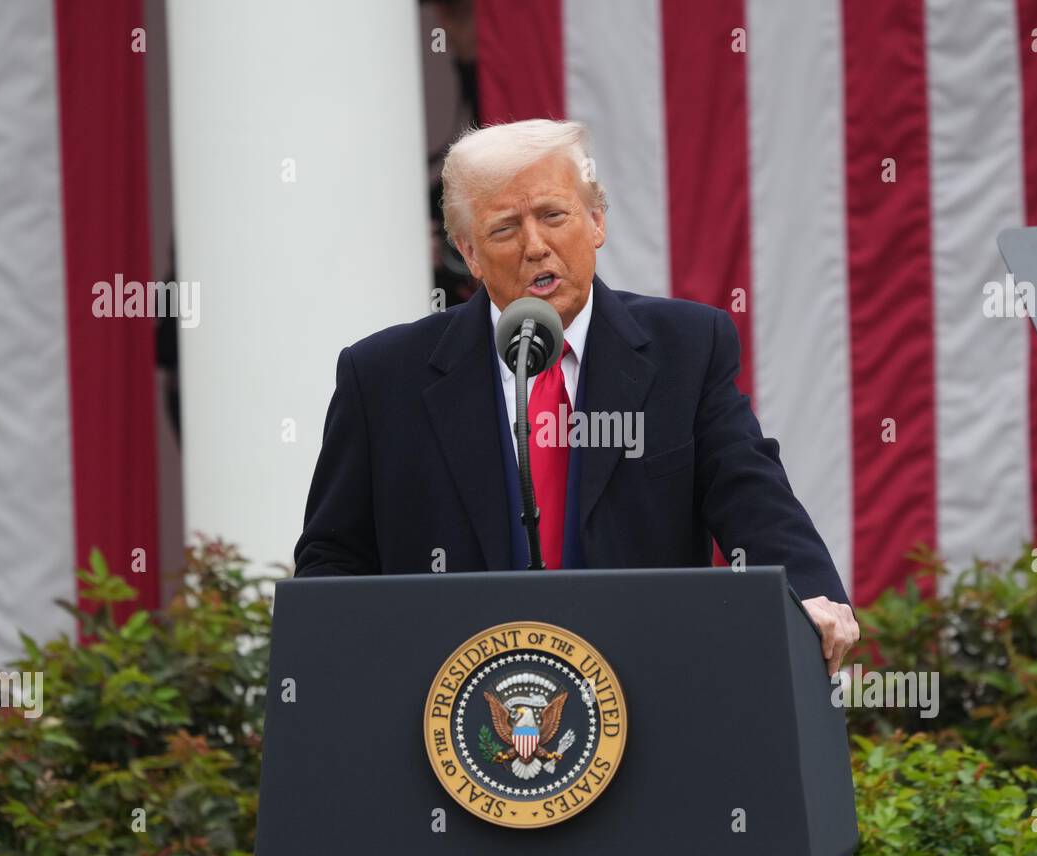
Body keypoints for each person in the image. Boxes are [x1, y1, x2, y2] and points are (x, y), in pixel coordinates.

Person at [293, 119, 860, 675]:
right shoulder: (382, 377)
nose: (536, 246)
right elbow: (334, 559)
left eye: (553, 215)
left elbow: (750, 493)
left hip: (643, 690)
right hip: (446, 712)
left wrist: (806, 593)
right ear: (468, 252)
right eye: (504, 228)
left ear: (596, 220)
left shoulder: (687, 349)